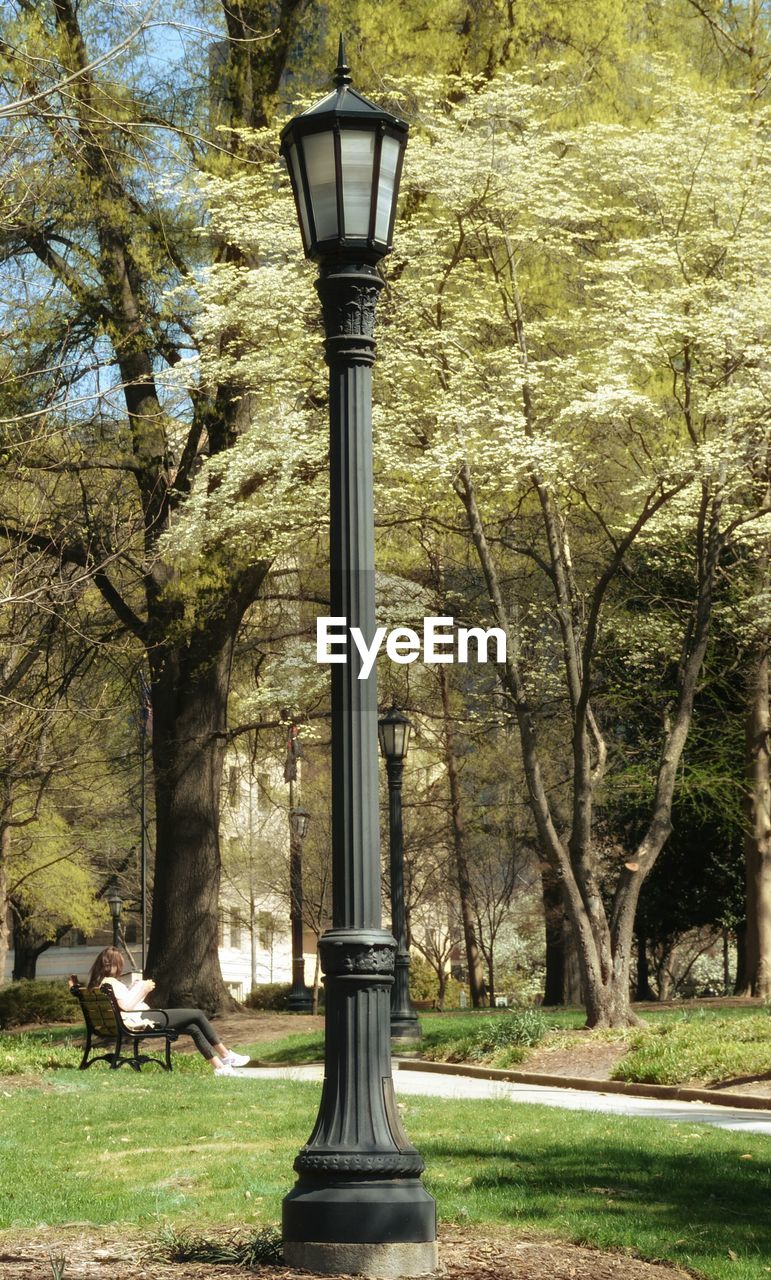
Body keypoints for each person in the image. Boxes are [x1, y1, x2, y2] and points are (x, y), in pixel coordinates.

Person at [85, 947, 250, 1076]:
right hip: (141, 1019)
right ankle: (227, 1055)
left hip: (132, 1019)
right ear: (114, 965)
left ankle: (219, 1067)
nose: (120, 968)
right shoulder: (111, 983)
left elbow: (123, 1005)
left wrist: (136, 989)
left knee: (192, 1027)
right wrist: (144, 989)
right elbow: (127, 1006)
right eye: (119, 964)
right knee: (197, 1014)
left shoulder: (99, 985)